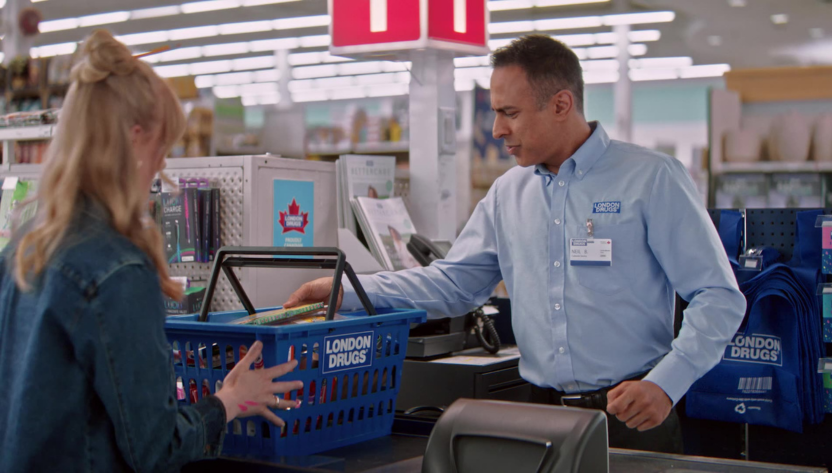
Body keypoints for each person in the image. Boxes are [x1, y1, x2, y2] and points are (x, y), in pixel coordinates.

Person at [285, 34, 746, 454]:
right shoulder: (509, 193)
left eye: (510, 113)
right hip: (537, 419)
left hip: (632, 416)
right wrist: (349, 291)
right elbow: (455, 284)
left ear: (562, 104)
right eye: (495, 114)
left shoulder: (652, 178)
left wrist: (667, 384)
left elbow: (719, 296)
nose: (497, 130)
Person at [0, 31, 302, 472]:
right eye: (161, 150)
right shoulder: (117, 268)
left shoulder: (24, 245)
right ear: (134, 139)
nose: (162, 169)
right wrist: (226, 404)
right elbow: (156, 449)